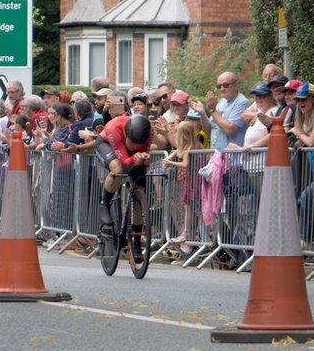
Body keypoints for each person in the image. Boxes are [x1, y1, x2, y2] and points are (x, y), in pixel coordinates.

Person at [95, 114, 156, 231]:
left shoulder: (148, 132)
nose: (134, 147)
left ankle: (137, 238)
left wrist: (145, 158)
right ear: (126, 133)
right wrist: (134, 158)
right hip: (106, 143)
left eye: (138, 144)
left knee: (140, 186)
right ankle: (105, 204)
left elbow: (143, 158)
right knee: (118, 169)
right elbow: (124, 161)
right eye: (132, 142)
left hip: (128, 143)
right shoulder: (114, 128)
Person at [164, 120, 198, 251]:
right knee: (185, 205)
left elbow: (185, 164)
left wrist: (171, 163)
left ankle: (187, 232)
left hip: (190, 179)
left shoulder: (190, 147)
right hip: (184, 179)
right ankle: (187, 232)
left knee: (188, 206)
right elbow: (174, 153)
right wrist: (168, 158)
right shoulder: (183, 146)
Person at [194, 71, 250, 151]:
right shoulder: (221, 102)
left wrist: (213, 110)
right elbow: (210, 129)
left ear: (235, 85)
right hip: (216, 156)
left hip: (233, 159)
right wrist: (202, 113)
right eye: (219, 86)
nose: (222, 89)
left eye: (226, 85)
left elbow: (229, 129)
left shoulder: (242, 102)